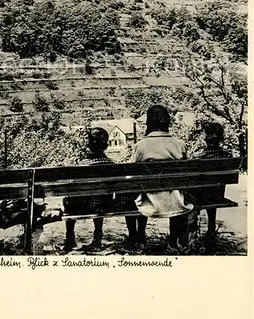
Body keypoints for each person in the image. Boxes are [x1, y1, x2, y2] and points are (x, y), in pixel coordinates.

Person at [125, 105, 193, 249]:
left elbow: (131, 173)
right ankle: (173, 241)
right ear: (167, 122)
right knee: (175, 192)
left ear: (149, 123)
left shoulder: (140, 146)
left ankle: (139, 237)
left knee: (131, 194)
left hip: (148, 203)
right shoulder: (180, 145)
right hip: (176, 202)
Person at [62, 127, 113, 253]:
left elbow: (71, 188)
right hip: (104, 206)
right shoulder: (113, 166)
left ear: (88, 144)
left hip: (81, 207)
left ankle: (70, 239)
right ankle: (97, 238)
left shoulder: (81, 166)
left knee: (68, 200)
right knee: (101, 198)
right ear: (106, 146)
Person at [192, 122, 232, 238]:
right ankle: (211, 229)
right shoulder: (227, 156)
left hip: (201, 196)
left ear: (206, 138)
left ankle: (193, 230)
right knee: (212, 190)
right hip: (218, 195)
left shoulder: (200, 157)